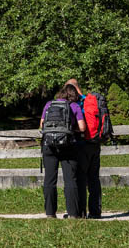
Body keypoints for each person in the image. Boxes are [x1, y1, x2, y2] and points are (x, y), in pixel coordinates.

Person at [40, 83, 86, 219]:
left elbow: (41, 125)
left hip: (49, 145)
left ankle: (50, 213)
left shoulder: (49, 104)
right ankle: (72, 213)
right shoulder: (74, 106)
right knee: (70, 179)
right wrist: (71, 130)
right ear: (73, 95)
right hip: (67, 145)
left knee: (49, 179)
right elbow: (82, 128)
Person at [66, 78, 102, 219]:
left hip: (81, 143)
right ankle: (95, 212)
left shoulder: (75, 103)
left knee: (81, 178)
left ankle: (81, 212)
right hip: (95, 143)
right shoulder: (90, 100)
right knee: (94, 178)